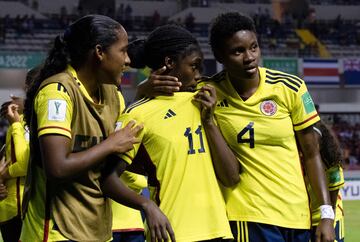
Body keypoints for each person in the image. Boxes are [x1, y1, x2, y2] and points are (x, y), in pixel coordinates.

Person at [20, 15, 173, 242]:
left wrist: (141, 97)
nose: (128, 60)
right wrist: (109, 145)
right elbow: (57, 167)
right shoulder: (57, 92)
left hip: (98, 230)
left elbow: (115, 154)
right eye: (122, 51)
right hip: (54, 232)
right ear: (100, 52)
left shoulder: (114, 95)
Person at [200, 12, 335, 242]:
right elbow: (164, 93)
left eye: (253, 47)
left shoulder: (290, 88)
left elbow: (312, 154)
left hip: (296, 216)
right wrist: (145, 89)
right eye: (238, 51)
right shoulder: (207, 91)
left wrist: (326, 214)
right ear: (219, 55)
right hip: (248, 216)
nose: (249, 57)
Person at [118, 24, 239, 241]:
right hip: (172, 233)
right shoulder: (139, 112)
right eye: (194, 66)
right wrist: (147, 206)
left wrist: (209, 121)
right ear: (170, 63)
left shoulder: (206, 102)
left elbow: (231, 177)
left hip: (219, 232)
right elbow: (106, 178)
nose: (199, 75)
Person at [0, 67, 38, 242]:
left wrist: (4, 174)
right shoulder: (20, 119)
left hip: (22, 208)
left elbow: (23, 164)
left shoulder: (21, 122)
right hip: (12, 207)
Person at [307, 120, 345, 242]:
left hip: (330, 217)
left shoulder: (332, 166)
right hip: (305, 219)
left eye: (315, 144)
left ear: (322, 145)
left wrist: (328, 221)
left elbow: (332, 204)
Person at [111, 171, 147, 242]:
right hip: (112, 227)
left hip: (134, 226)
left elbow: (144, 183)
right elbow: (128, 176)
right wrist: (133, 187)